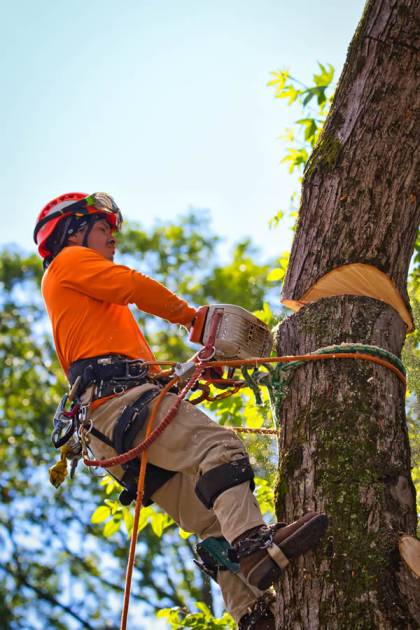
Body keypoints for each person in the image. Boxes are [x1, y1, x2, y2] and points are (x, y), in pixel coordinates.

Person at [34, 192, 328, 629]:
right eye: (103, 228)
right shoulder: (68, 262)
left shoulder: (87, 307)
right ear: (72, 232)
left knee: (208, 518)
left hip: (111, 422)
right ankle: (254, 548)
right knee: (219, 448)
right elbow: (132, 285)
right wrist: (192, 318)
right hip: (122, 405)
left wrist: (197, 373)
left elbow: (126, 364)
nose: (113, 238)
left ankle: (251, 612)